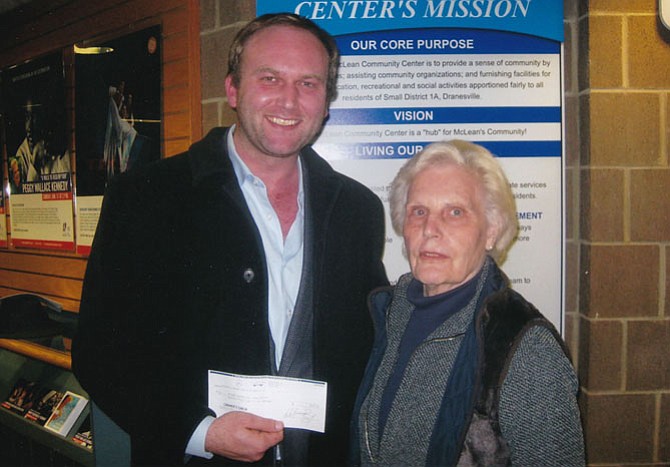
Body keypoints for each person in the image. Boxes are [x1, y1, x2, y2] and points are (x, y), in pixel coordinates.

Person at [72, 13, 388, 466]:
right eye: (270, 78)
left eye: (309, 83)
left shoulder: (357, 210)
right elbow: (101, 351)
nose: (289, 100)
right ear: (233, 90)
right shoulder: (148, 198)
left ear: (326, 101)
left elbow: (363, 346)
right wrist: (199, 430)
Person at [350, 140, 585, 466]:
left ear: (491, 230)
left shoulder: (525, 346)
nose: (430, 229)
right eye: (419, 211)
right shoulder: (389, 314)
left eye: (455, 212)